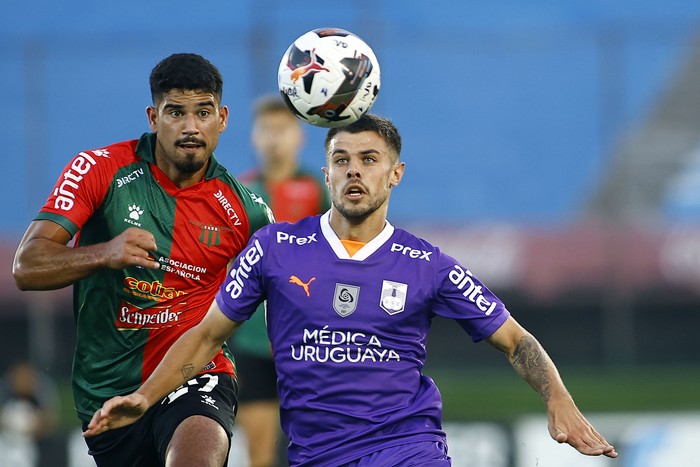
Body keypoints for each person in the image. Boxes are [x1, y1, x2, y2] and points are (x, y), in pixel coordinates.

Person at [83, 114, 618, 465]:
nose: (354, 172)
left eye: (369, 160)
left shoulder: (427, 264)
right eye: (342, 161)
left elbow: (516, 340)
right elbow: (205, 338)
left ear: (395, 174)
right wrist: (144, 397)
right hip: (317, 455)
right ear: (326, 173)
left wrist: (560, 400)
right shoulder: (274, 248)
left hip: (408, 448)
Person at [12, 53, 273, 467]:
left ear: (222, 118)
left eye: (203, 112)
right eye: (176, 112)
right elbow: (27, 267)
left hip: (197, 374)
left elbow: (292, 291)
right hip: (107, 393)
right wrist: (105, 253)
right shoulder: (98, 170)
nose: (190, 127)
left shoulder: (248, 211)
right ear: (154, 117)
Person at [231, 95, 329, 467]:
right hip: (253, 338)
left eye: (282, 129)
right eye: (266, 130)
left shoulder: (321, 191)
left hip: (309, 338)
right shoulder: (238, 193)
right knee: (258, 444)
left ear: (299, 136)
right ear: (255, 137)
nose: (274, 138)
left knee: (315, 443)